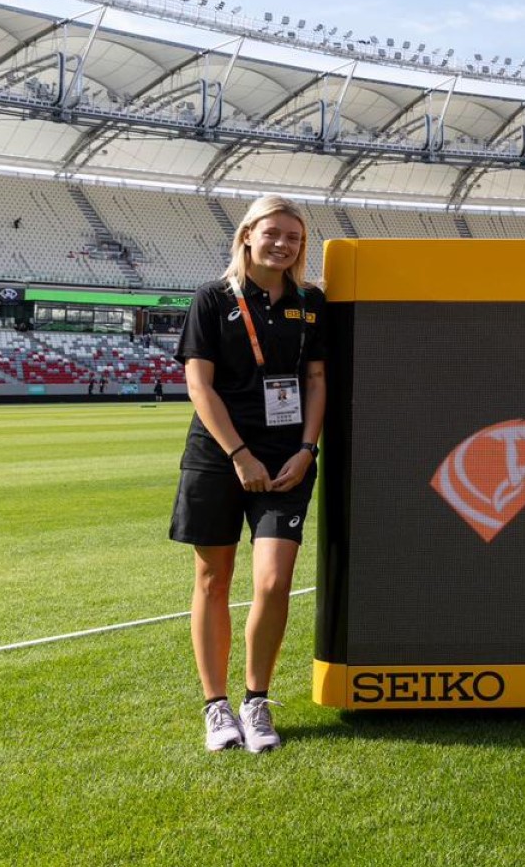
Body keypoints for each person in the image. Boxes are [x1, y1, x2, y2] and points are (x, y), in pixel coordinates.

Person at [171, 195, 326, 754]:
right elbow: (199, 386)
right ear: (246, 236)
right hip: (219, 456)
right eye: (273, 233)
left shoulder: (312, 303)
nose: (283, 244)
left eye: (294, 237)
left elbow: (315, 381)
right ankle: (216, 707)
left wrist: (308, 448)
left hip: (288, 458)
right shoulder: (213, 298)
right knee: (213, 580)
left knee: (272, 581)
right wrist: (240, 454)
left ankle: (255, 700)